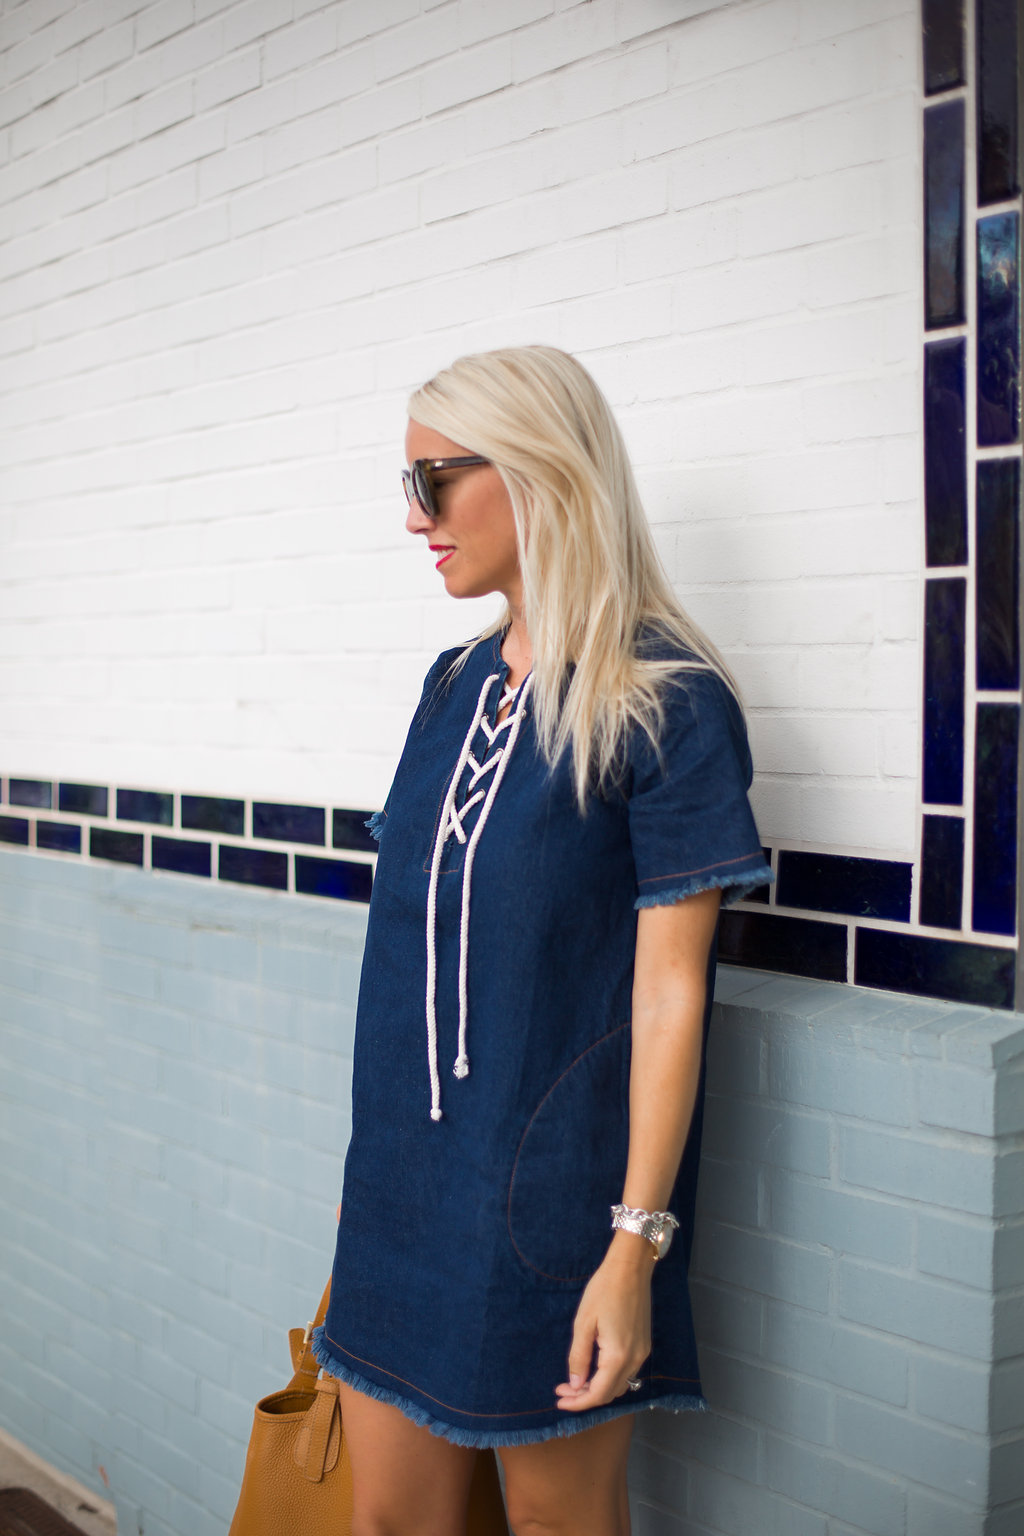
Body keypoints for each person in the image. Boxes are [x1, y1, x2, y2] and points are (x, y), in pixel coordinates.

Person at [313, 345, 770, 1536]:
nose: (412, 517)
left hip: (559, 1210)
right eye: (407, 485)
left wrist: (634, 1249)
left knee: (559, 1526)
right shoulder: (449, 686)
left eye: (433, 482)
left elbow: (670, 999)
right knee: (387, 1525)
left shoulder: (666, 702)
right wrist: (363, 1203)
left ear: (538, 472)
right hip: (400, 1194)